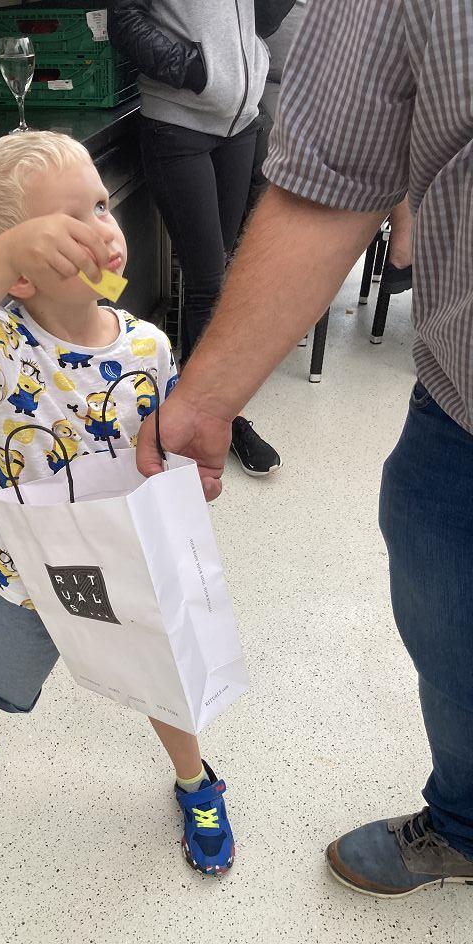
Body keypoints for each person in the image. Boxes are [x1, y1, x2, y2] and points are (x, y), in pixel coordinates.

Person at [136, 0, 473, 898]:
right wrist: (209, 399)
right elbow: (334, 177)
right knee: (444, 610)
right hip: (460, 402)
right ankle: (466, 822)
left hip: (237, 119)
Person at [0, 132, 235, 877]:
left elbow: (165, 445)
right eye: (72, 223)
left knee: (163, 677)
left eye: (101, 205)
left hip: (130, 562)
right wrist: (0, 257)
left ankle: (195, 780)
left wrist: (188, 478)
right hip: (29, 571)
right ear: (22, 273)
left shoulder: (149, 345)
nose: (104, 228)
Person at [109, 0, 293, 477]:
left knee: (220, 278)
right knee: (208, 281)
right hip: (178, 124)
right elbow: (124, 19)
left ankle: (202, 408)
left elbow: (262, 20)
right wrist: (195, 70)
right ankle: (217, 415)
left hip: (239, 125)